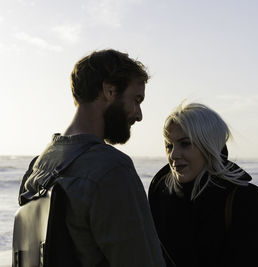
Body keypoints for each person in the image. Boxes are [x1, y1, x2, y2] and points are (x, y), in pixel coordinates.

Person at [18, 49, 165, 266]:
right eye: (136, 100)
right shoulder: (112, 169)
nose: (139, 114)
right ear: (110, 91)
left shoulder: (38, 166)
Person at [148, 102, 258, 267]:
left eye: (185, 143)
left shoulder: (243, 198)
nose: (173, 155)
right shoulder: (160, 190)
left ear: (209, 145)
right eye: (169, 146)